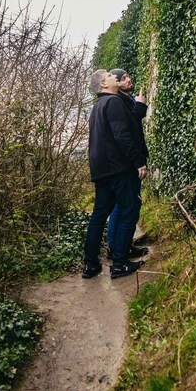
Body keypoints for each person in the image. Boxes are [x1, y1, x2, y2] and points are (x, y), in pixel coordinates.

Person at [82, 69, 147, 279]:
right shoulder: (113, 102)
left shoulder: (97, 106)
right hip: (118, 168)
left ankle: (90, 265)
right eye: (110, 76)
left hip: (101, 170)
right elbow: (123, 135)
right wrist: (138, 162)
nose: (114, 77)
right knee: (129, 209)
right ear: (104, 85)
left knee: (99, 216)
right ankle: (119, 263)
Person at [105, 68, 149, 260]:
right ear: (116, 83)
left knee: (124, 205)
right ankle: (117, 248)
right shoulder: (118, 101)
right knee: (125, 206)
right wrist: (140, 107)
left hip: (129, 160)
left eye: (128, 76)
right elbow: (126, 130)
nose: (128, 79)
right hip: (127, 162)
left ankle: (119, 245)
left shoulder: (125, 100)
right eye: (123, 78)